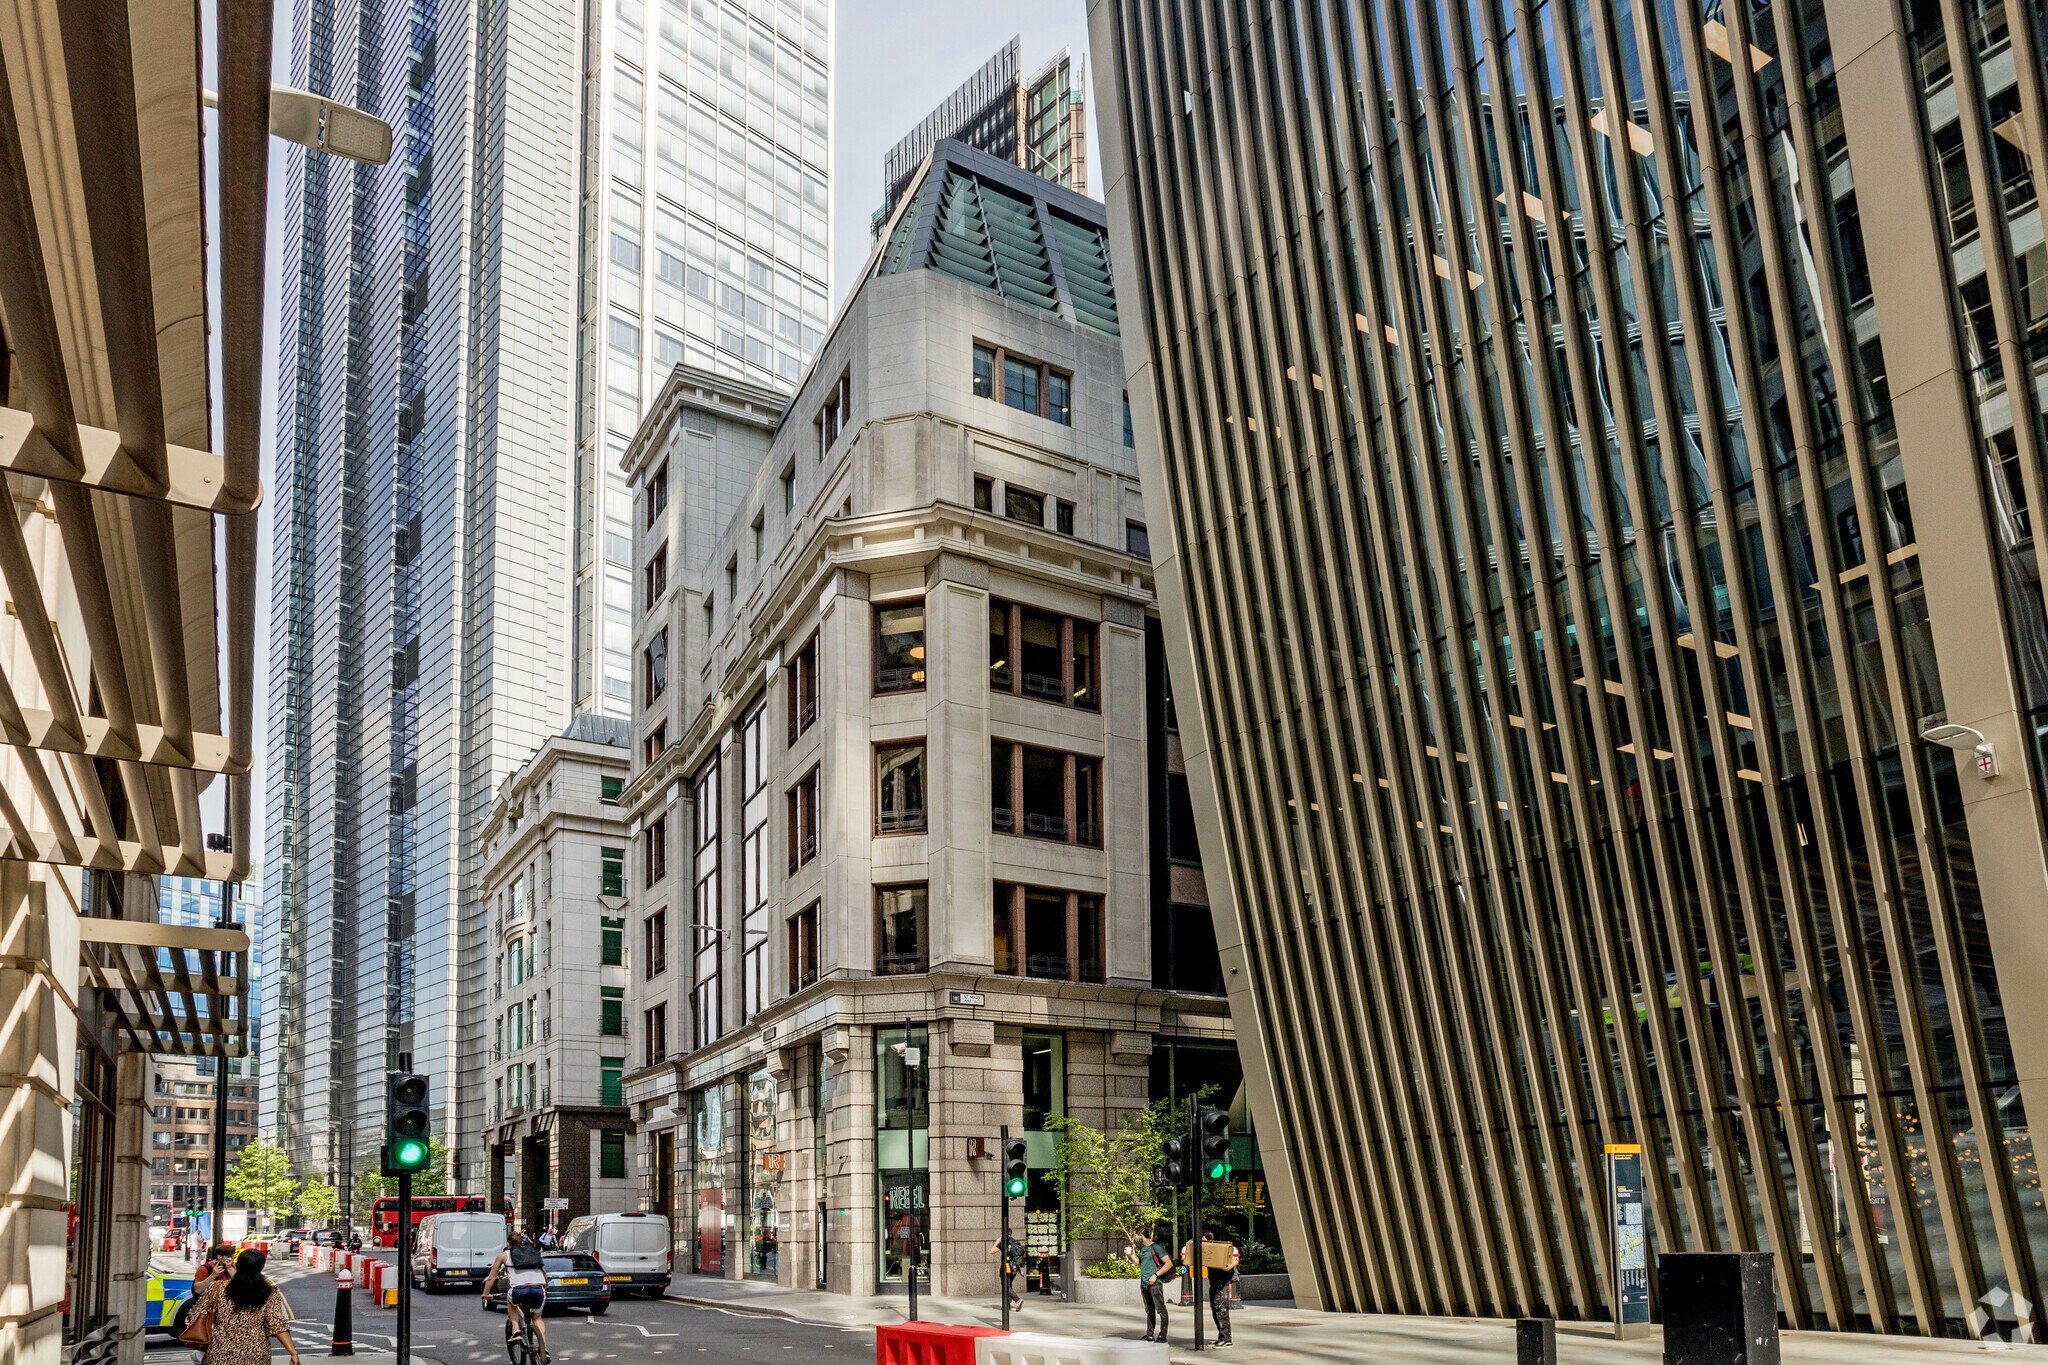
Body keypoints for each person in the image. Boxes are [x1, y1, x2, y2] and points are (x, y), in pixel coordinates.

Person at [188, 1249, 303, 1365]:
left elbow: (193, 1316)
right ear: (261, 1268)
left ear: (237, 1265)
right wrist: (293, 1352)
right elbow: (277, 1324)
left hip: (220, 1352)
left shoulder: (218, 1288)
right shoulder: (268, 1292)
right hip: (255, 1354)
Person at [483, 1229, 550, 1361]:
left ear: (508, 1244)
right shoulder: (534, 1252)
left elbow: (491, 1278)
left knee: (511, 1302)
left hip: (519, 1290)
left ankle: (516, 1330)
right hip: (538, 1289)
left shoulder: (504, 1255)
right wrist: (545, 1286)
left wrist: (486, 1294)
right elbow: (543, 1272)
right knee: (537, 1318)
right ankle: (544, 1349)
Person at [1180, 1225, 1239, 1348]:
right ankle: (1222, 1337)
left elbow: (1235, 1259)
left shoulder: (1224, 1248)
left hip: (1222, 1282)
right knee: (1216, 1310)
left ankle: (1227, 1339)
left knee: (1221, 1310)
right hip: (1215, 1282)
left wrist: (1229, 1266)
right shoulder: (1203, 1250)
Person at [1134, 1228, 1178, 1344]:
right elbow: (1141, 1264)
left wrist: (1155, 1275)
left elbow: (1168, 1263)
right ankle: (1149, 1335)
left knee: (1161, 1310)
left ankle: (1163, 1335)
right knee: (1149, 1310)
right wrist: (1130, 1255)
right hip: (1144, 1284)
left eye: (1135, 1236)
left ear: (1141, 1235)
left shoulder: (1156, 1247)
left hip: (1155, 1284)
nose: (1134, 1238)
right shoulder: (1143, 1248)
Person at [988, 1233, 1027, 1313]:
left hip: (1006, 1266)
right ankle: (1007, 1305)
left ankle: (1017, 1300)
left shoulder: (1004, 1242)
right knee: (1009, 1285)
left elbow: (991, 1251)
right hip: (1015, 1267)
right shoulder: (1016, 1242)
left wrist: (997, 1241)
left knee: (1005, 1285)